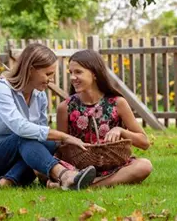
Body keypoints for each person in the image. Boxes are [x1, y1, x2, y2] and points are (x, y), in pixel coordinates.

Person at [0, 43, 96, 191]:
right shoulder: (0, 88)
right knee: (23, 136)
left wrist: (45, 161)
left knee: (48, 144)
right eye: (48, 74)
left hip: (9, 165)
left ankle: (1, 185)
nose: (51, 80)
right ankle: (64, 175)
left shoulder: (39, 96)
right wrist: (65, 137)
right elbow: (21, 127)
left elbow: (40, 138)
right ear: (31, 70)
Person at [56, 49, 152, 187]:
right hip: (78, 168)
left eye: (78, 72)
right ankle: (78, 181)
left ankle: (89, 185)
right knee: (40, 168)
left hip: (112, 166)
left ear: (94, 74)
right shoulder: (65, 107)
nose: (72, 77)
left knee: (144, 166)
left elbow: (144, 143)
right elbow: (61, 147)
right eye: (71, 72)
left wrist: (121, 130)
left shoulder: (118, 103)